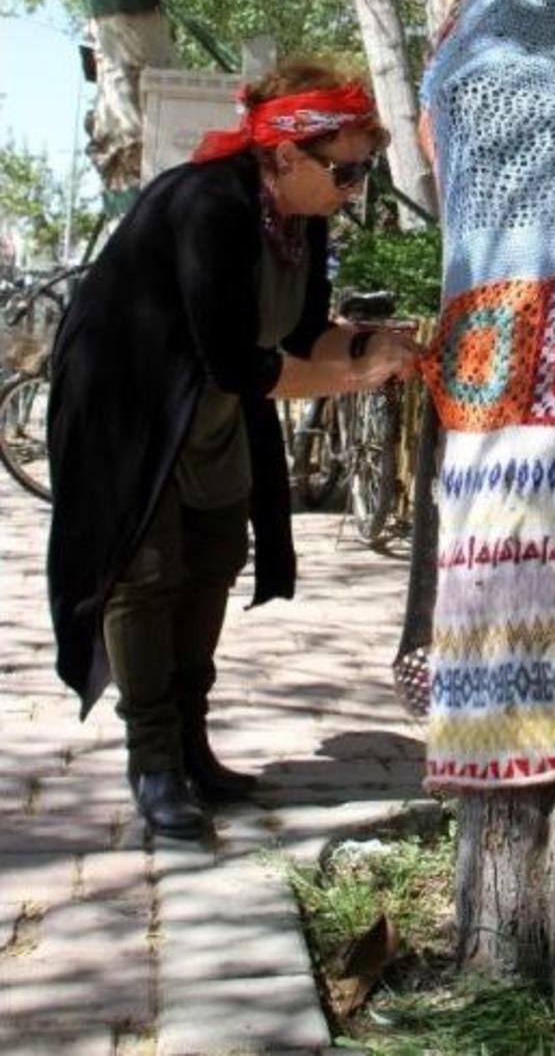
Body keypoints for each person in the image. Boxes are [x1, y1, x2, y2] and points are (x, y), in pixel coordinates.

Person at [47, 60, 419, 840]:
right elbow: (239, 362)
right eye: (345, 169)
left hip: (214, 407)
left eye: (364, 170)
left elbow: (300, 334)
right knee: (145, 574)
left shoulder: (303, 220)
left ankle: (191, 742)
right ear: (286, 155)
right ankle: (153, 759)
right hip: (131, 407)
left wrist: (372, 345)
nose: (354, 187)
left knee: (215, 553)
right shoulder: (207, 203)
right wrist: (353, 380)